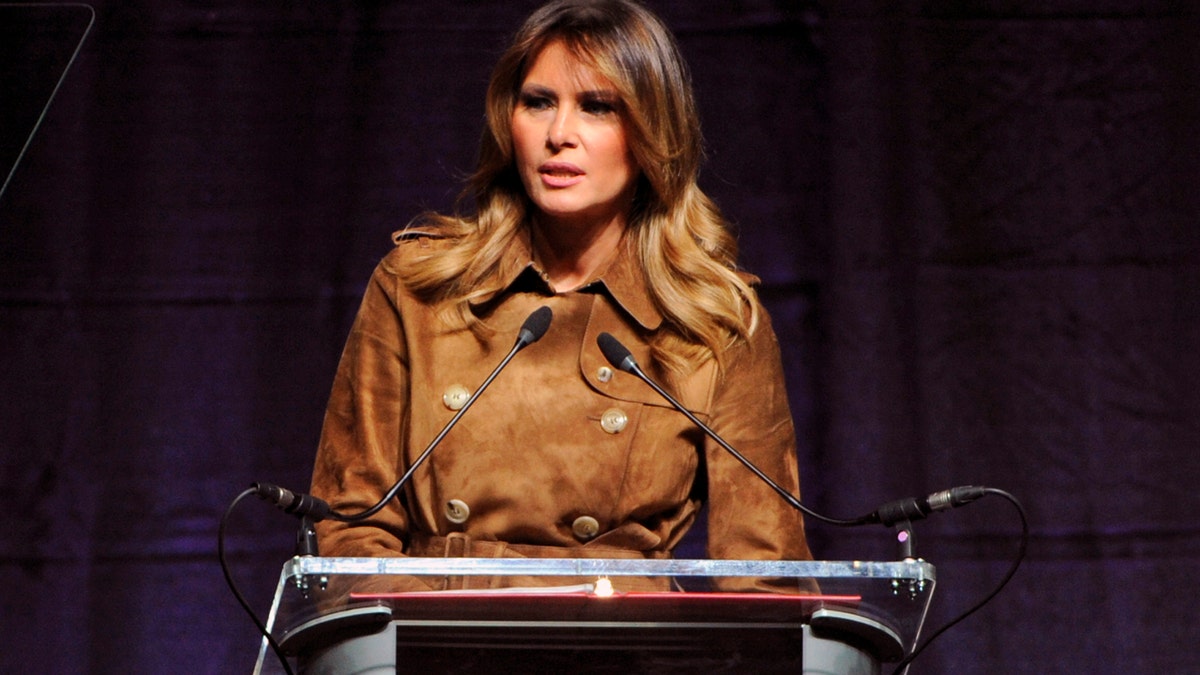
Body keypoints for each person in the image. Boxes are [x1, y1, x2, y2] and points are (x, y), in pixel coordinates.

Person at [309, 0, 814, 593]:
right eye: (538, 102)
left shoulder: (716, 322)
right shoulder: (418, 288)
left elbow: (762, 578)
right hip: (442, 638)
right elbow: (349, 533)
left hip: (624, 647)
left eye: (597, 107)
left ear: (653, 132)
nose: (558, 135)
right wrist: (435, 638)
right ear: (508, 119)